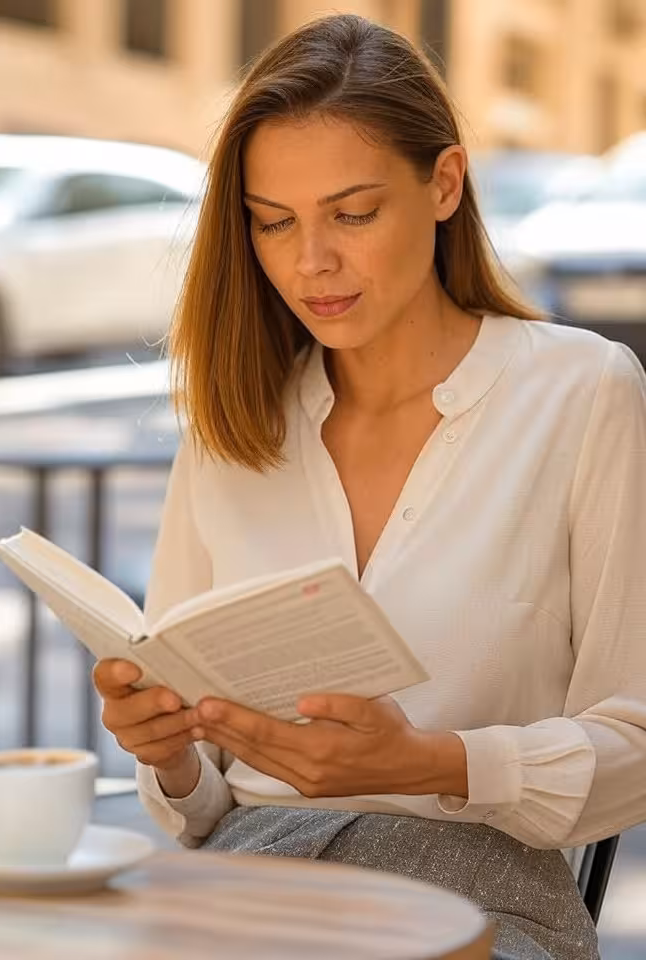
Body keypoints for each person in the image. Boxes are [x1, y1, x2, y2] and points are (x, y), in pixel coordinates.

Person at [92, 14, 646, 960]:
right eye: (274, 222)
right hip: (246, 886)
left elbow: (634, 739)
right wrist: (171, 752)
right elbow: (202, 810)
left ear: (444, 184)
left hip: (480, 901)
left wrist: (433, 762)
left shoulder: (584, 393)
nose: (311, 263)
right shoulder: (234, 423)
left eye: (352, 214)